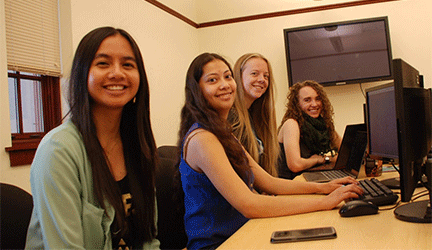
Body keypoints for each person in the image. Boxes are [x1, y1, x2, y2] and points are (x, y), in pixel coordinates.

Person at [177, 53, 362, 250]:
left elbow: (270, 183)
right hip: (221, 244)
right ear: (197, 90)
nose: (224, 84)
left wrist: (324, 188)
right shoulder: (202, 139)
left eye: (227, 76)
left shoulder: (224, 134)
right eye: (212, 80)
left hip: (243, 233)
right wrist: (325, 202)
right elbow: (249, 204)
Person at [25, 27, 160, 249]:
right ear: (82, 73)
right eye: (103, 63)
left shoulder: (138, 145)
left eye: (128, 64)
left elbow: (149, 240)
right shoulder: (58, 151)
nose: (117, 73)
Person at [278, 80, 342, 179]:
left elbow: (345, 153)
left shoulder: (324, 124)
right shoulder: (291, 124)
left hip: (312, 179)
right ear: (297, 104)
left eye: (318, 99)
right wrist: (319, 160)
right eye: (307, 100)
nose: (314, 104)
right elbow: (295, 165)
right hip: (292, 183)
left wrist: (325, 159)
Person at [229, 53, 279, 176]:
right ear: (238, 77)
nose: (262, 80)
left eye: (266, 76)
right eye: (254, 73)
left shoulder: (256, 116)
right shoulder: (231, 117)